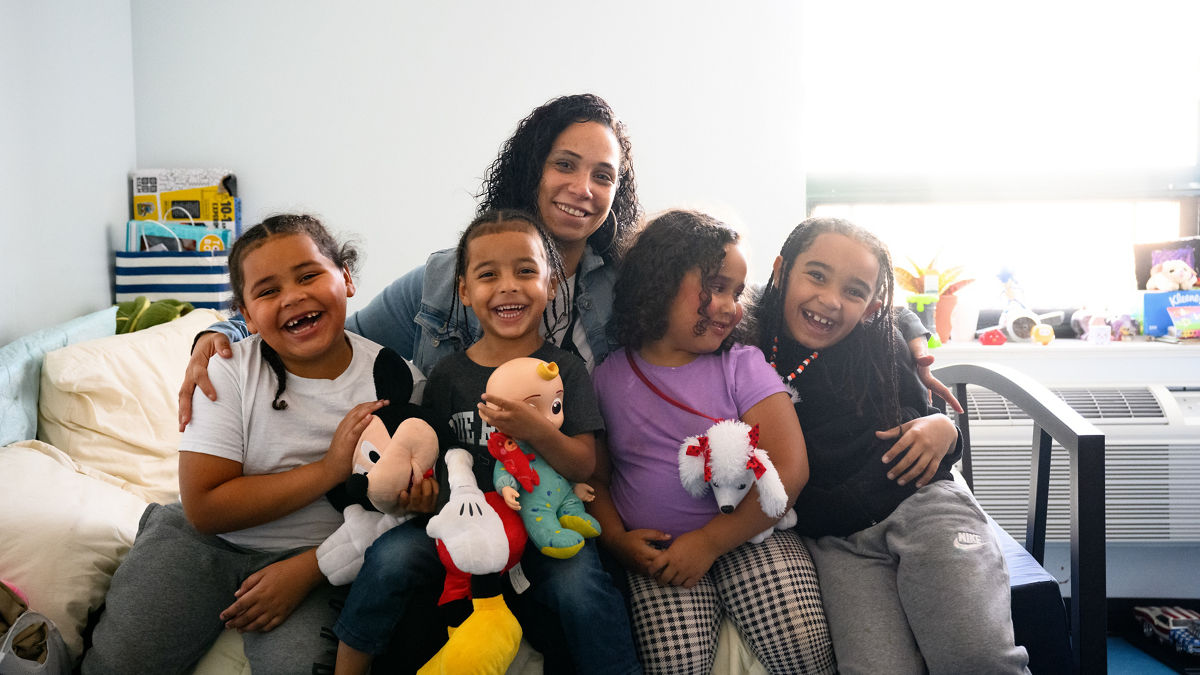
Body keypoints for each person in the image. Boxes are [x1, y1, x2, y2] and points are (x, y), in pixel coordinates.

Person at [84, 214, 434, 674]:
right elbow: (206, 508)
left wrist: (315, 565)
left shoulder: (399, 380)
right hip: (204, 545)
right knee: (120, 662)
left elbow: (397, 505)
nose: (293, 297)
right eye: (267, 291)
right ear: (246, 315)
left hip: (318, 561)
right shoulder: (227, 371)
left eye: (309, 275)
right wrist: (329, 470)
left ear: (346, 279)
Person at [333, 210, 641, 674]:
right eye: (487, 275)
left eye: (525, 271)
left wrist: (536, 429)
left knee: (583, 588)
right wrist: (420, 496)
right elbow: (431, 457)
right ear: (464, 292)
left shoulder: (564, 370)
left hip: (542, 525)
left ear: (552, 284)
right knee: (390, 558)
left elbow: (582, 464)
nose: (508, 286)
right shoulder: (449, 375)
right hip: (462, 525)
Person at [749, 216, 1030, 674]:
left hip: (922, 505)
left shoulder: (882, 342)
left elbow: (928, 426)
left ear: (872, 303)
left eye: (854, 291)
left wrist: (946, 429)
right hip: (840, 542)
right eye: (816, 275)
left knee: (977, 659)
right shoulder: (749, 339)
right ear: (780, 271)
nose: (829, 300)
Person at [588, 210, 836, 674]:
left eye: (738, 293)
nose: (732, 306)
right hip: (659, 554)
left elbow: (789, 468)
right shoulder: (606, 376)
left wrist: (708, 542)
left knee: (801, 645)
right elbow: (596, 478)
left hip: (752, 537)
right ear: (659, 281)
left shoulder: (742, 364)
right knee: (672, 665)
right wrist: (619, 542)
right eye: (718, 287)